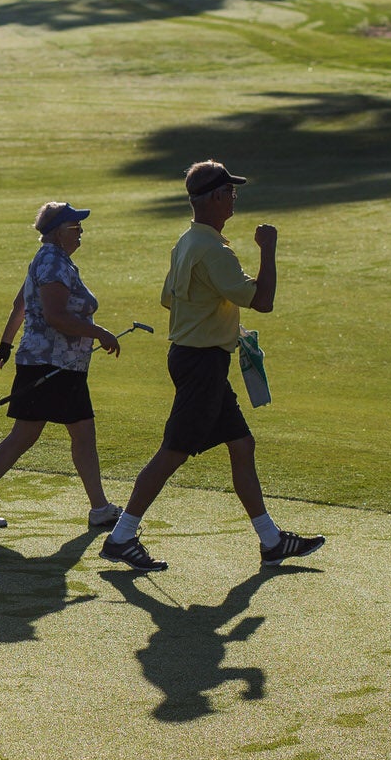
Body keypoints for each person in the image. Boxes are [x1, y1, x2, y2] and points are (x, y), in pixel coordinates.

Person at [100, 161, 325, 572]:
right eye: (230, 192)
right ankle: (121, 536)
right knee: (172, 453)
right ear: (217, 198)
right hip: (202, 364)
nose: (234, 198)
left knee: (242, 444)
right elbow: (263, 301)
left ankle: (271, 541)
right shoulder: (215, 250)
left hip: (195, 358)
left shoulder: (186, 242)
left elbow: (171, 299)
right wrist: (268, 250)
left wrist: (215, 315)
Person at [0, 202, 124, 532]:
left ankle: (99, 508)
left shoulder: (52, 260)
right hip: (52, 364)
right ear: (60, 231)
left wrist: (5, 345)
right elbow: (56, 316)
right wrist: (99, 332)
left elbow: (21, 305)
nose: (81, 234)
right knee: (32, 435)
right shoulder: (52, 261)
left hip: (57, 364)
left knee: (72, 433)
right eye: (76, 228)